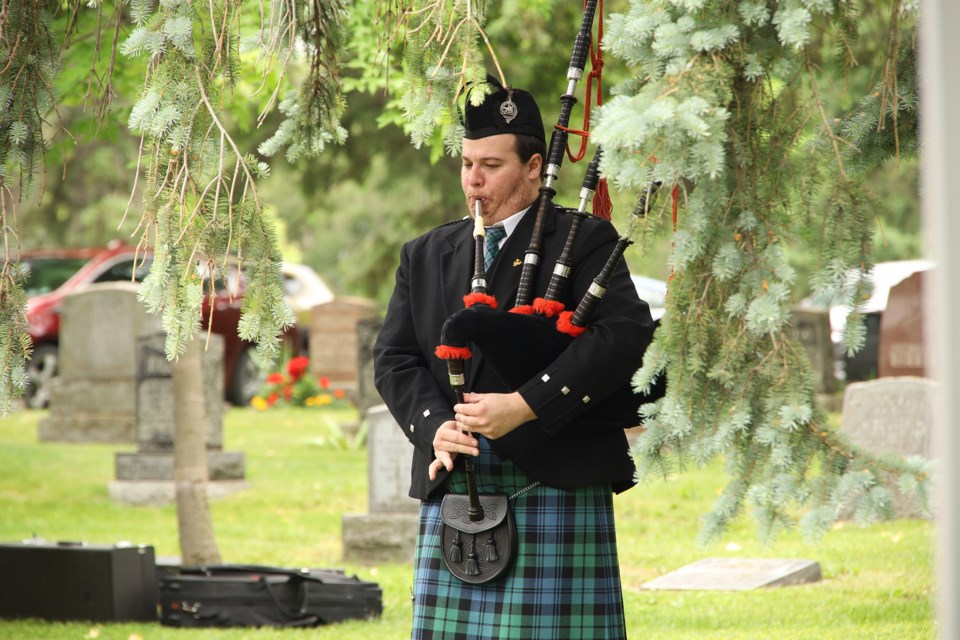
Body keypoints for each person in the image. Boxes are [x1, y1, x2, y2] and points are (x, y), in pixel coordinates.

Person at [373, 79, 656, 639]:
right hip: (459, 481)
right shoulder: (427, 253)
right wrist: (434, 427)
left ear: (533, 168)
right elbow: (394, 358)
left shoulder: (586, 242)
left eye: (491, 165)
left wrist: (528, 404)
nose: (473, 179)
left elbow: (623, 337)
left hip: (553, 477)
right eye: (466, 163)